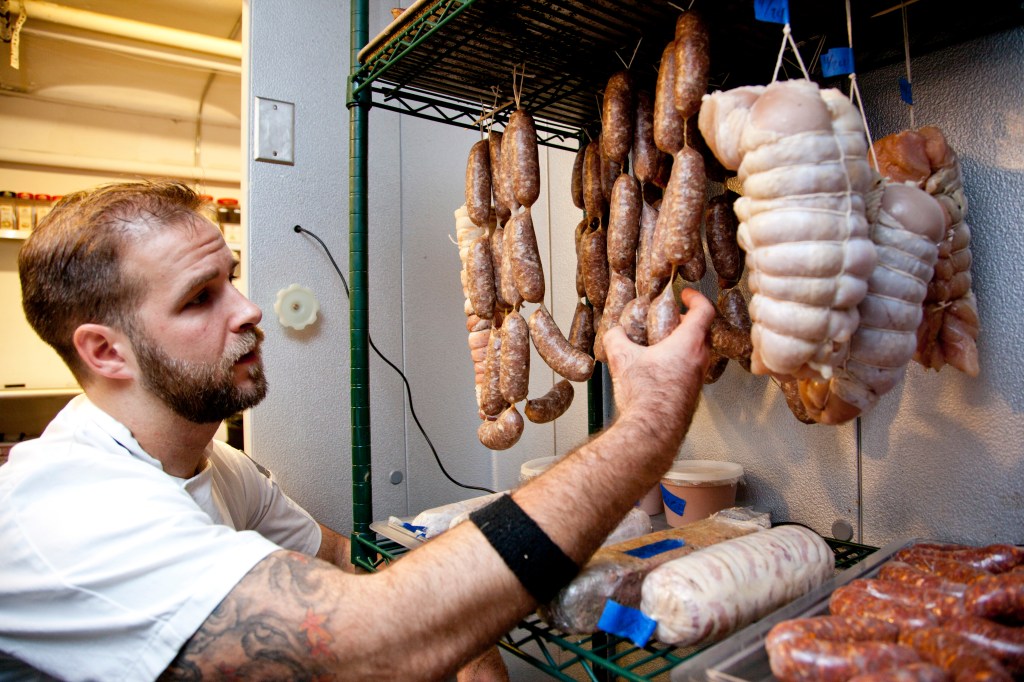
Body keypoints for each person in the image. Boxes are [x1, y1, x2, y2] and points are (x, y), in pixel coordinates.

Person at [1, 180, 714, 681]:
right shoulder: (66, 506)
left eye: (233, 278)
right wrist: (646, 427)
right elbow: (370, 640)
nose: (250, 311)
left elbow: (348, 563)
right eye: (200, 298)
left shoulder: (218, 469)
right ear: (105, 351)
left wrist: (461, 642)